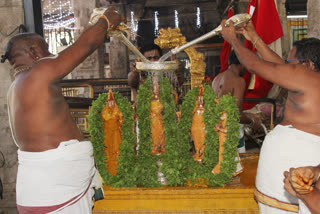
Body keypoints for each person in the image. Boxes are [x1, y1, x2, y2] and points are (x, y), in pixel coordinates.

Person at [1, 7, 122, 213]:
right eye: (47, 49)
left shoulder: (15, 88)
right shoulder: (39, 72)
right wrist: (106, 20)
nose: (51, 55)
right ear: (34, 52)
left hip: (35, 191)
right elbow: (87, 44)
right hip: (56, 190)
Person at [220, 19, 320, 213]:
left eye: (292, 63)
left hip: (299, 164)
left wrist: (233, 40)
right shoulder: (309, 78)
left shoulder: (306, 78)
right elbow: (280, 66)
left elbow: (255, 65)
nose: (286, 66)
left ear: (308, 64)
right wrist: (254, 38)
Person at [212, 50, 262, 153]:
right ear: (242, 62)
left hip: (216, 130)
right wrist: (253, 121)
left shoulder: (217, 79)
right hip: (230, 133)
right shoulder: (238, 81)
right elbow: (236, 116)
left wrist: (249, 115)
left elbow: (224, 110)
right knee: (237, 166)